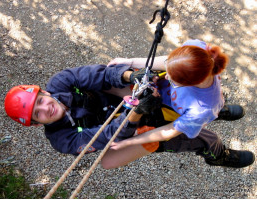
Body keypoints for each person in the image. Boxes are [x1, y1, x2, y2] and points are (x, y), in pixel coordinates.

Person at [101, 39, 255, 169]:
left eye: (174, 79)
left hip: (191, 112)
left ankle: (218, 154)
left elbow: (170, 130)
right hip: (177, 105)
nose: (167, 76)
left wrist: (130, 141)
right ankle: (216, 112)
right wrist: (129, 61)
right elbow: (168, 61)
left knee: (206, 137)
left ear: (192, 84)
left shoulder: (201, 108)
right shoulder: (196, 51)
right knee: (202, 114)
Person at [4, 64, 161, 155]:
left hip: (119, 95)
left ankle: (149, 81)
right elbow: (108, 135)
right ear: (37, 124)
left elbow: (102, 75)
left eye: (40, 101)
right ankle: (158, 130)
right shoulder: (62, 140)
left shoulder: (60, 82)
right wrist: (137, 111)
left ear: (45, 92)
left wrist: (131, 76)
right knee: (110, 158)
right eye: (37, 114)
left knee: (116, 68)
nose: (46, 108)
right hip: (125, 126)